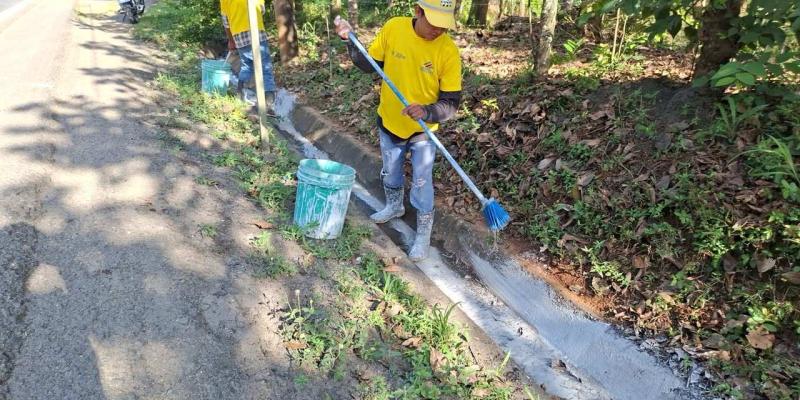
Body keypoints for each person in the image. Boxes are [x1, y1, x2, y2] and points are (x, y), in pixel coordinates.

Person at [334, 0, 462, 261]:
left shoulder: (448, 50)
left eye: (444, 24)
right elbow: (369, 64)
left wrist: (427, 112)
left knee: (422, 181)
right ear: (418, 11)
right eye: (434, 22)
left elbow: (451, 103)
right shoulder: (395, 28)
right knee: (391, 171)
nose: (439, 30)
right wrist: (351, 40)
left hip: (423, 131)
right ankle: (394, 206)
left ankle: (423, 233)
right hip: (390, 122)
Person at [220, 0, 277, 106]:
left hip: (238, 34)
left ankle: (240, 92)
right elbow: (261, 9)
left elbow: (225, 21)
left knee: (247, 65)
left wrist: (231, 40)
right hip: (257, 30)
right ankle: (268, 99)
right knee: (265, 65)